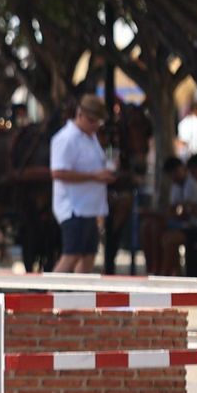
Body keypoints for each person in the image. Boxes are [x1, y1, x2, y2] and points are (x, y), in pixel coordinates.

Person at [50, 94, 114, 274]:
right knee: (71, 256)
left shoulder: (90, 137)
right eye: (92, 121)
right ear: (80, 115)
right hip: (73, 208)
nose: (95, 126)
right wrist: (95, 177)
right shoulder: (66, 139)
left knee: (88, 257)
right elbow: (58, 172)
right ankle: (48, 300)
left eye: (98, 122)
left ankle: (79, 299)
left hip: (89, 208)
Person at [141, 156, 191, 275]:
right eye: (171, 174)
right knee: (147, 227)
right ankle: (153, 268)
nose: (174, 176)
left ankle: (164, 272)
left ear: (183, 169)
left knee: (164, 236)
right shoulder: (176, 186)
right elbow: (173, 210)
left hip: (192, 225)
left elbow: (186, 213)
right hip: (180, 223)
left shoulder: (192, 184)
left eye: (176, 172)